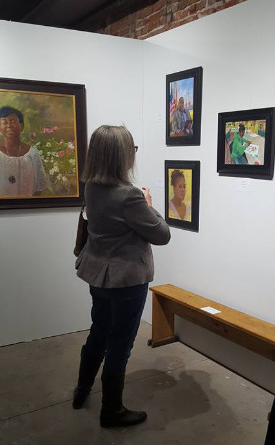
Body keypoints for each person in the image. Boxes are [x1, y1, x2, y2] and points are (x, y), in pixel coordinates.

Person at [73, 125, 171, 428]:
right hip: (127, 279)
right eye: (132, 149)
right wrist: (151, 207)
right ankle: (111, 411)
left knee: (98, 332)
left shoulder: (91, 185)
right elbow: (162, 235)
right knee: (120, 344)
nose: (134, 154)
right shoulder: (129, 195)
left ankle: (81, 391)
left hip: (98, 276)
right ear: (121, 155)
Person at [0, 106, 47, 196]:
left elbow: (38, 189)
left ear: (22, 126)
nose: (9, 125)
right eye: (4, 122)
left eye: (13, 121)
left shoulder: (33, 154)